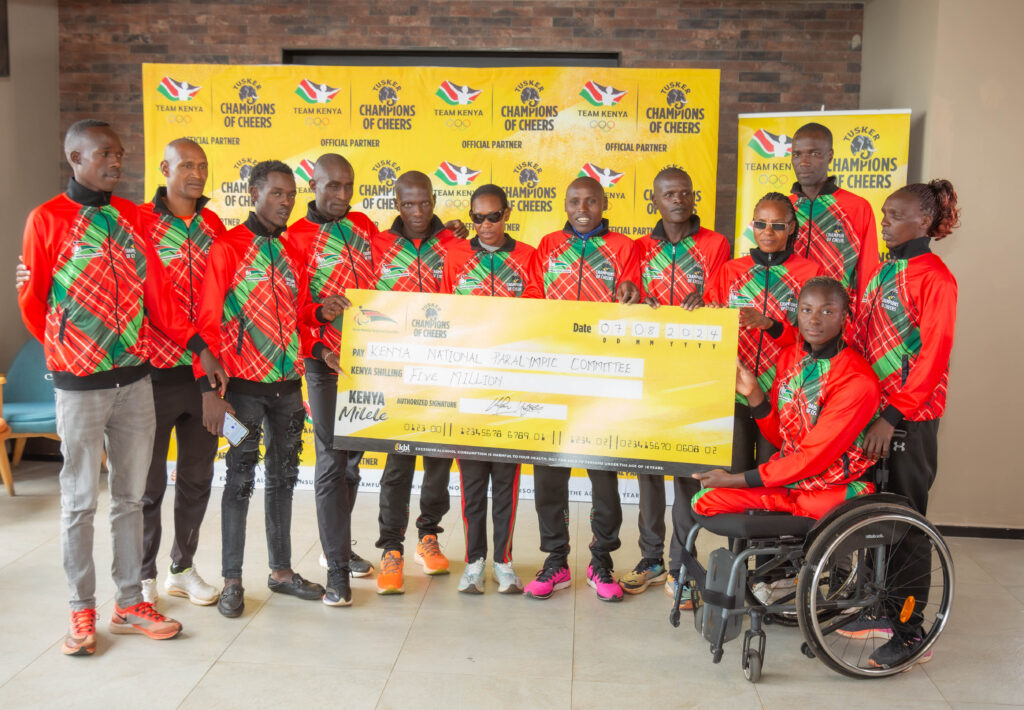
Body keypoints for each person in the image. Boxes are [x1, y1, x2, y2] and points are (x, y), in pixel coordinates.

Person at [18, 119, 227, 656]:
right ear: (75, 157)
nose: (116, 162)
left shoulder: (132, 217)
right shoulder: (47, 219)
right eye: (104, 154)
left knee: (131, 498)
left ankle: (130, 601)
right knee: (81, 501)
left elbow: (158, 296)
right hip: (80, 384)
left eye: (119, 154)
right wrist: (69, 349)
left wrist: (195, 345)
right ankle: (81, 611)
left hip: (136, 380)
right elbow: (34, 299)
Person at [197, 160, 344, 617]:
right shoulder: (227, 248)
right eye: (276, 193)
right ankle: (232, 580)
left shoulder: (292, 251)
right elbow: (208, 320)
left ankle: (280, 572)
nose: (285, 202)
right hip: (241, 390)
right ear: (253, 193)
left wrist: (320, 319)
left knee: (283, 478)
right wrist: (210, 388)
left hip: (286, 388)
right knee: (239, 480)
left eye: (290, 194)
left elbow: (299, 314)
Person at [844, 180, 960, 670]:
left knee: (908, 524)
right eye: (884, 213)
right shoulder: (881, 273)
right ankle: (879, 607)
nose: (884, 221)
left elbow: (933, 358)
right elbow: (858, 336)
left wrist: (893, 415)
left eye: (894, 214)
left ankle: (911, 631)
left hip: (909, 420)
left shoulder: (936, 278)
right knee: (875, 517)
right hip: (872, 416)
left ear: (924, 222)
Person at [521, 176, 641, 602]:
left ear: (604, 203)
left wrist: (631, 292)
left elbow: (635, 294)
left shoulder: (626, 247)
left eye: (591, 200)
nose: (583, 207)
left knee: (603, 474)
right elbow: (532, 297)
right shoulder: (548, 245)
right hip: (552, 376)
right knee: (548, 473)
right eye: (574, 200)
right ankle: (555, 559)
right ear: (565, 203)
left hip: (602, 376)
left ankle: (601, 559)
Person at [622, 167, 730, 599]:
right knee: (648, 469)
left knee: (687, 469)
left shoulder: (715, 244)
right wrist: (632, 295)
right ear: (655, 200)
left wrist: (706, 300)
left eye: (685, 192)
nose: (678, 199)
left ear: (693, 197)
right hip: (650, 370)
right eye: (669, 193)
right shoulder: (639, 246)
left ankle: (682, 561)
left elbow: (724, 293)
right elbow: (625, 290)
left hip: (697, 372)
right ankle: (650, 557)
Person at [691, 276, 881, 519]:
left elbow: (812, 459)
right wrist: (754, 395)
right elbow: (782, 438)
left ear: (844, 317)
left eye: (827, 311)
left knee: (812, 506)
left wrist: (737, 480)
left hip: (833, 486)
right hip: (789, 482)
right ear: (797, 313)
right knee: (704, 501)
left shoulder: (856, 380)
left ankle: (783, 508)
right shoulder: (789, 359)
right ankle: (780, 505)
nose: (814, 319)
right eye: (806, 310)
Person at [135, 139, 226, 607]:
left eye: (202, 165)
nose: (196, 172)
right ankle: (143, 577)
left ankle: (181, 568)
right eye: (186, 165)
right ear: (165, 168)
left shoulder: (213, 225)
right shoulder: (140, 223)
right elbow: (147, 300)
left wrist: (216, 361)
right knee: (147, 485)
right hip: (153, 374)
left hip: (204, 375)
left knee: (196, 477)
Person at [285, 153, 378, 606]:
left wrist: (450, 232)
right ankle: (337, 569)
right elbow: (289, 309)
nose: (342, 195)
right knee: (330, 459)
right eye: (332, 186)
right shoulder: (294, 238)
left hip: (367, 362)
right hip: (323, 364)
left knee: (353, 463)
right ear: (313, 184)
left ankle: (333, 548)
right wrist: (320, 347)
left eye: (348, 185)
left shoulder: (364, 227)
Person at [441, 184, 535, 594]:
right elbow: (444, 314)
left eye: (493, 217)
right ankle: (475, 561)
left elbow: (539, 318)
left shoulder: (529, 257)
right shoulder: (456, 255)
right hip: (467, 386)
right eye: (477, 218)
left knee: (506, 481)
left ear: (507, 215)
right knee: (472, 480)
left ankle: (505, 561)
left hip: (513, 386)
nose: (484, 226)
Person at [370, 171, 459, 594]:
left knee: (438, 458)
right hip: (396, 372)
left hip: (444, 370)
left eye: (425, 202)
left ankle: (430, 537)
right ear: (397, 204)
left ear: (434, 199)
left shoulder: (456, 245)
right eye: (409, 204)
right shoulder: (377, 246)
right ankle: (390, 548)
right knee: (397, 461)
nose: (418, 212)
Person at [705, 193, 822, 474]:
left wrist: (770, 325)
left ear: (792, 228)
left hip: (782, 393)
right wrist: (716, 317)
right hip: (735, 390)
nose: (768, 232)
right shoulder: (730, 271)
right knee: (733, 474)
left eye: (778, 225)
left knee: (771, 475)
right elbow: (709, 327)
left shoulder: (810, 272)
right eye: (760, 223)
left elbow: (816, 338)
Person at [789, 122, 879, 310]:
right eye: (797, 154)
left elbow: (867, 271)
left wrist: (861, 320)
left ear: (830, 156)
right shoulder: (784, 207)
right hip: (786, 316)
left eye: (814, 154)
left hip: (836, 318)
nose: (804, 162)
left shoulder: (857, 207)